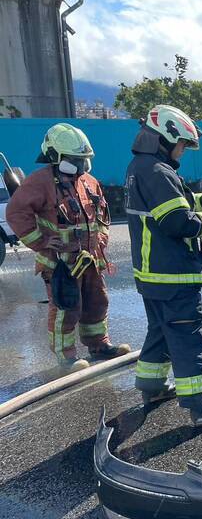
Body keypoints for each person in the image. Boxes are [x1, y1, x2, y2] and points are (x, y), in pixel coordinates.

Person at [125, 104, 202, 426]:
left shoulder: (144, 167)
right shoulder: (158, 172)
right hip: (172, 275)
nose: (183, 151)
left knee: (162, 332)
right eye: (182, 144)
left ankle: (151, 387)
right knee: (190, 337)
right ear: (165, 137)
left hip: (153, 275)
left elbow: (176, 204)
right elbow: (177, 221)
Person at [6, 123, 130, 373]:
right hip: (61, 263)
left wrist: (101, 241)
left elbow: (101, 215)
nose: (82, 167)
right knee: (66, 307)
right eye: (76, 161)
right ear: (56, 157)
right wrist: (40, 242)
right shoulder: (39, 183)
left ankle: (99, 344)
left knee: (97, 303)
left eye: (85, 161)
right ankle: (66, 358)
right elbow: (16, 212)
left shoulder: (89, 182)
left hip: (89, 259)